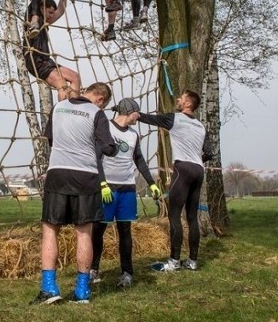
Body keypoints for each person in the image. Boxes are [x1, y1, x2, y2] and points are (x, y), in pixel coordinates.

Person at [33, 82, 119, 305]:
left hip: (58, 173)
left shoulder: (59, 107)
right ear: (100, 99)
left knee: (51, 230)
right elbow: (108, 148)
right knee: (84, 233)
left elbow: (51, 139)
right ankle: (82, 291)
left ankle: (49, 287)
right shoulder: (97, 113)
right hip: (86, 176)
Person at [90, 98, 162, 288]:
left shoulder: (133, 135)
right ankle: (93, 269)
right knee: (98, 231)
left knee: (125, 231)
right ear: (129, 112)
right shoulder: (106, 128)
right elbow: (96, 157)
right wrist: (102, 183)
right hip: (108, 189)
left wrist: (152, 183)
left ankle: (127, 273)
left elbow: (139, 159)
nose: (138, 116)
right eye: (137, 113)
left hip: (127, 188)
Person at [139, 90, 210, 272]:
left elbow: (150, 119)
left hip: (183, 169)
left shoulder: (175, 118)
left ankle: (174, 261)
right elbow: (208, 153)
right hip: (198, 169)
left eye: (182, 98)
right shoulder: (201, 127)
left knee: (174, 215)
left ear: (188, 104)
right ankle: (193, 261)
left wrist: (133, 113)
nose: (178, 99)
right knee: (192, 217)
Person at [23, 0, 81, 101]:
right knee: (61, 85)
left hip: (46, 59)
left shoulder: (45, 22)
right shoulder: (33, 16)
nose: (51, 16)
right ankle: (63, 115)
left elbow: (60, 10)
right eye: (49, 12)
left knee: (74, 77)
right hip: (35, 59)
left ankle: (76, 106)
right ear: (41, 8)